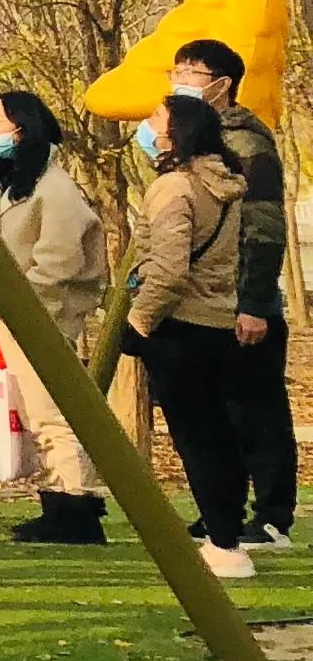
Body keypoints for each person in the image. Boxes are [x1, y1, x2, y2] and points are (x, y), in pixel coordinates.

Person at [124, 91, 259, 580]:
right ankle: (227, 530)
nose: (146, 125)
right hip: (217, 322)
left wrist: (138, 322)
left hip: (178, 328)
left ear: (174, 131)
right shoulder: (223, 185)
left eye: (154, 118)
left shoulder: (173, 189)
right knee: (217, 434)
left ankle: (223, 543)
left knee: (196, 438)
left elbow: (169, 269)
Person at [171, 35, 294, 548]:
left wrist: (255, 302)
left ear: (221, 84)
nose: (179, 82)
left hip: (244, 302)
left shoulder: (248, 146)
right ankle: (223, 511)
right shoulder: (190, 145)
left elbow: (263, 229)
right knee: (216, 414)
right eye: (175, 71)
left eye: (191, 72)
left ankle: (272, 516)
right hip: (207, 307)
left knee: (256, 410)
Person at [0, 87, 108, 546]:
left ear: (23, 127)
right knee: (33, 413)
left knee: (52, 413)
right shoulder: (13, 185)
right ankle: (57, 499)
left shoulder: (55, 189)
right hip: (13, 314)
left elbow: (58, 259)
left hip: (40, 316)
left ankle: (76, 503)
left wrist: (22, 301)